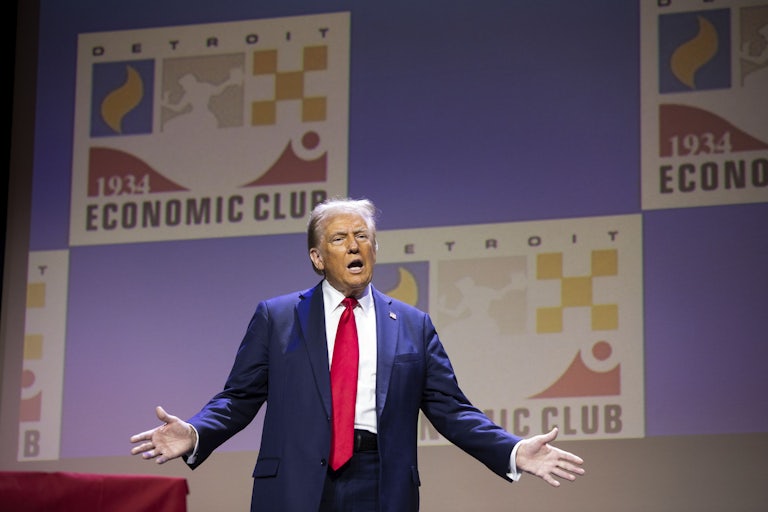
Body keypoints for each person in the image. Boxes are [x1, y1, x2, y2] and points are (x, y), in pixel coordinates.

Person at [130, 197, 585, 511]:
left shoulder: (411, 324)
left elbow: (452, 410)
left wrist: (512, 450)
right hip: (296, 484)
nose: (354, 245)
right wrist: (196, 432)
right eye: (339, 238)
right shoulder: (278, 317)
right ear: (317, 257)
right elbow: (239, 397)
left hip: (379, 482)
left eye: (362, 236)